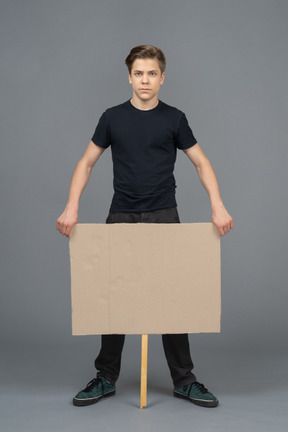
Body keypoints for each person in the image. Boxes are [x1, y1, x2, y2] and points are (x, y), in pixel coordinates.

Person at [57, 45, 233, 408]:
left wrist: (218, 206)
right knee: (113, 299)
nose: (145, 80)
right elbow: (86, 163)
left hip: (163, 215)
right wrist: (71, 207)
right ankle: (105, 377)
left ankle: (184, 380)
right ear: (129, 77)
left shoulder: (175, 118)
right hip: (121, 214)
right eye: (139, 73)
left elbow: (201, 163)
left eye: (152, 73)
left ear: (162, 77)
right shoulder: (111, 117)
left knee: (173, 300)